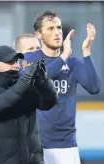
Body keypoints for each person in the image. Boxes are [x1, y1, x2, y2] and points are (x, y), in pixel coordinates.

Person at [23, 10, 101, 164]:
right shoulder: (29, 59)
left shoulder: (73, 63)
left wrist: (86, 51)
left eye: (58, 28)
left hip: (66, 146)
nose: (57, 32)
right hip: (36, 145)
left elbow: (94, 88)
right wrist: (63, 56)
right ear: (38, 35)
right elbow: (39, 80)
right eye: (50, 29)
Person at [0, 45, 57, 164]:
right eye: (10, 62)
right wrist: (25, 81)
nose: (15, 65)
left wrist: (43, 81)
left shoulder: (24, 83)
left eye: (16, 61)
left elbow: (48, 102)